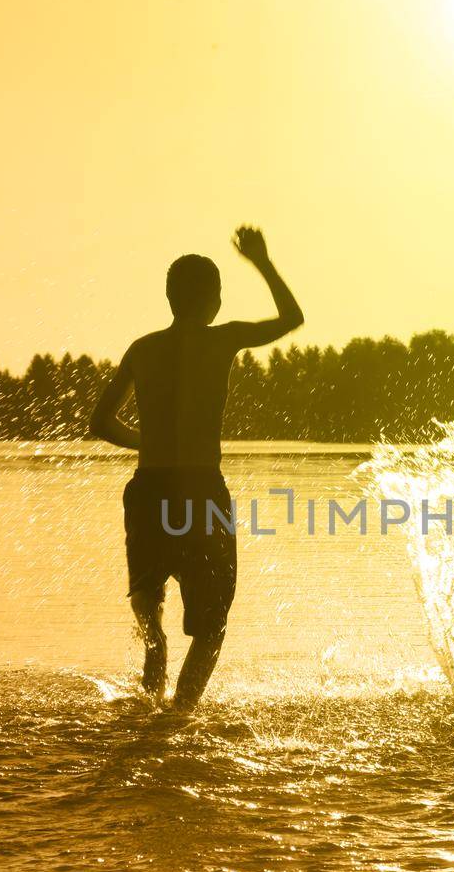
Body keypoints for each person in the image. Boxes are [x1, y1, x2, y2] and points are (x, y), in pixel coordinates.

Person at [90, 226, 303, 710]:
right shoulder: (222, 340)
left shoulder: (141, 348)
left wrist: (150, 441)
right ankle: (181, 714)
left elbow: (99, 421)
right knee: (212, 624)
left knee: (147, 594)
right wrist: (262, 261)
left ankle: (153, 653)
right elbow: (292, 318)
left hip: (148, 489)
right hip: (201, 492)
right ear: (214, 300)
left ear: (169, 297)